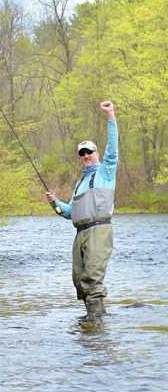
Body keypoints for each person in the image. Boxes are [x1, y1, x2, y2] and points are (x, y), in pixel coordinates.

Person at [46, 100, 118, 320]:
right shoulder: (80, 183)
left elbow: (113, 150)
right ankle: (92, 320)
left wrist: (110, 117)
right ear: (79, 157)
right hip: (80, 234)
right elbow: (69, 213)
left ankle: (97, 323)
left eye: (90, 152)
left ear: (97, 154)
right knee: (79, 280)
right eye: (82, 153)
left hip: (99, 231)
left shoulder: (106, 171)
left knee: (93, 279)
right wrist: (54, 201)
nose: (86, 155)